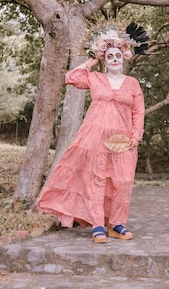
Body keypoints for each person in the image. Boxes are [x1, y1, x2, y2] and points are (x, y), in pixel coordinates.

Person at [36, 22, 149, 244]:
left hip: (124, 141)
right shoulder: (95, 78)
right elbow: (71, 77)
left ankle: (117, 224)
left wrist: (136, 137)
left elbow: (139, 112)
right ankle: (98, 224)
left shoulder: (133, 83)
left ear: (124, 57)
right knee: (96, 180)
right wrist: (93, 58)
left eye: (118, 55)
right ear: (105, 60)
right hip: (95, 138)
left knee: (123, 181)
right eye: (109, 56)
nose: (114, 59)